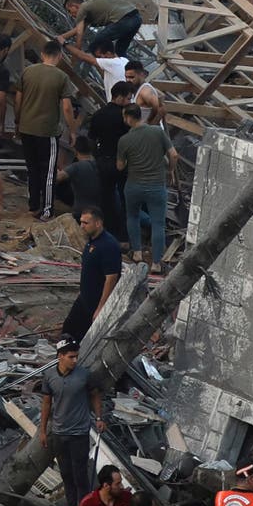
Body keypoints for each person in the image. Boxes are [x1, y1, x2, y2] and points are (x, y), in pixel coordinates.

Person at [34, 339, 102, 506]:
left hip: (79, 433)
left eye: (76, 357)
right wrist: (42, 431)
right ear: (60, 356)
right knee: (66, 473)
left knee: (80, 474)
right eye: (71, 357)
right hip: (59, 433)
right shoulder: (49, 376)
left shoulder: (84, 375)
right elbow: (46, 404)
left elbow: (95, 396)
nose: (75, 360)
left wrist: (99, 418)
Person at [16, 39, 72, 221]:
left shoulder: (27, 72)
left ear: (42, 54)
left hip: (26, 128)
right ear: (60, 56)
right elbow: (66, 107)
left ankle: (33, 206)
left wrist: (18, 120)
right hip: (47, 131)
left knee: (32, 169)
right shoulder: (61, 77)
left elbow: (18, 99)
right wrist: (72, 130)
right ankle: (47, 210)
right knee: (48, 172)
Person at [116, 101, 170, 268]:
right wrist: (169, 171)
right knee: (158, 223)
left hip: (134, 186)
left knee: (132, 216)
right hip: (156, 186)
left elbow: (120, 166)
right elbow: (174, 155)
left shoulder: (124, 140)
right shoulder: (157, 132)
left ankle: (137, 253)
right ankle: (156, 263)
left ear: (128, 117)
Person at [62, 203, 123, 344]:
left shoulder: (108, 245)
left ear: (98, 223)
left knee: (85, 339)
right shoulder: (92, 242)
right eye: (81, 222)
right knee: (68, 332)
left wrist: (101, 308)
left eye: (86, 223)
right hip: (84, 299)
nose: (81, 226)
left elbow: (111, 278)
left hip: (96, 303)